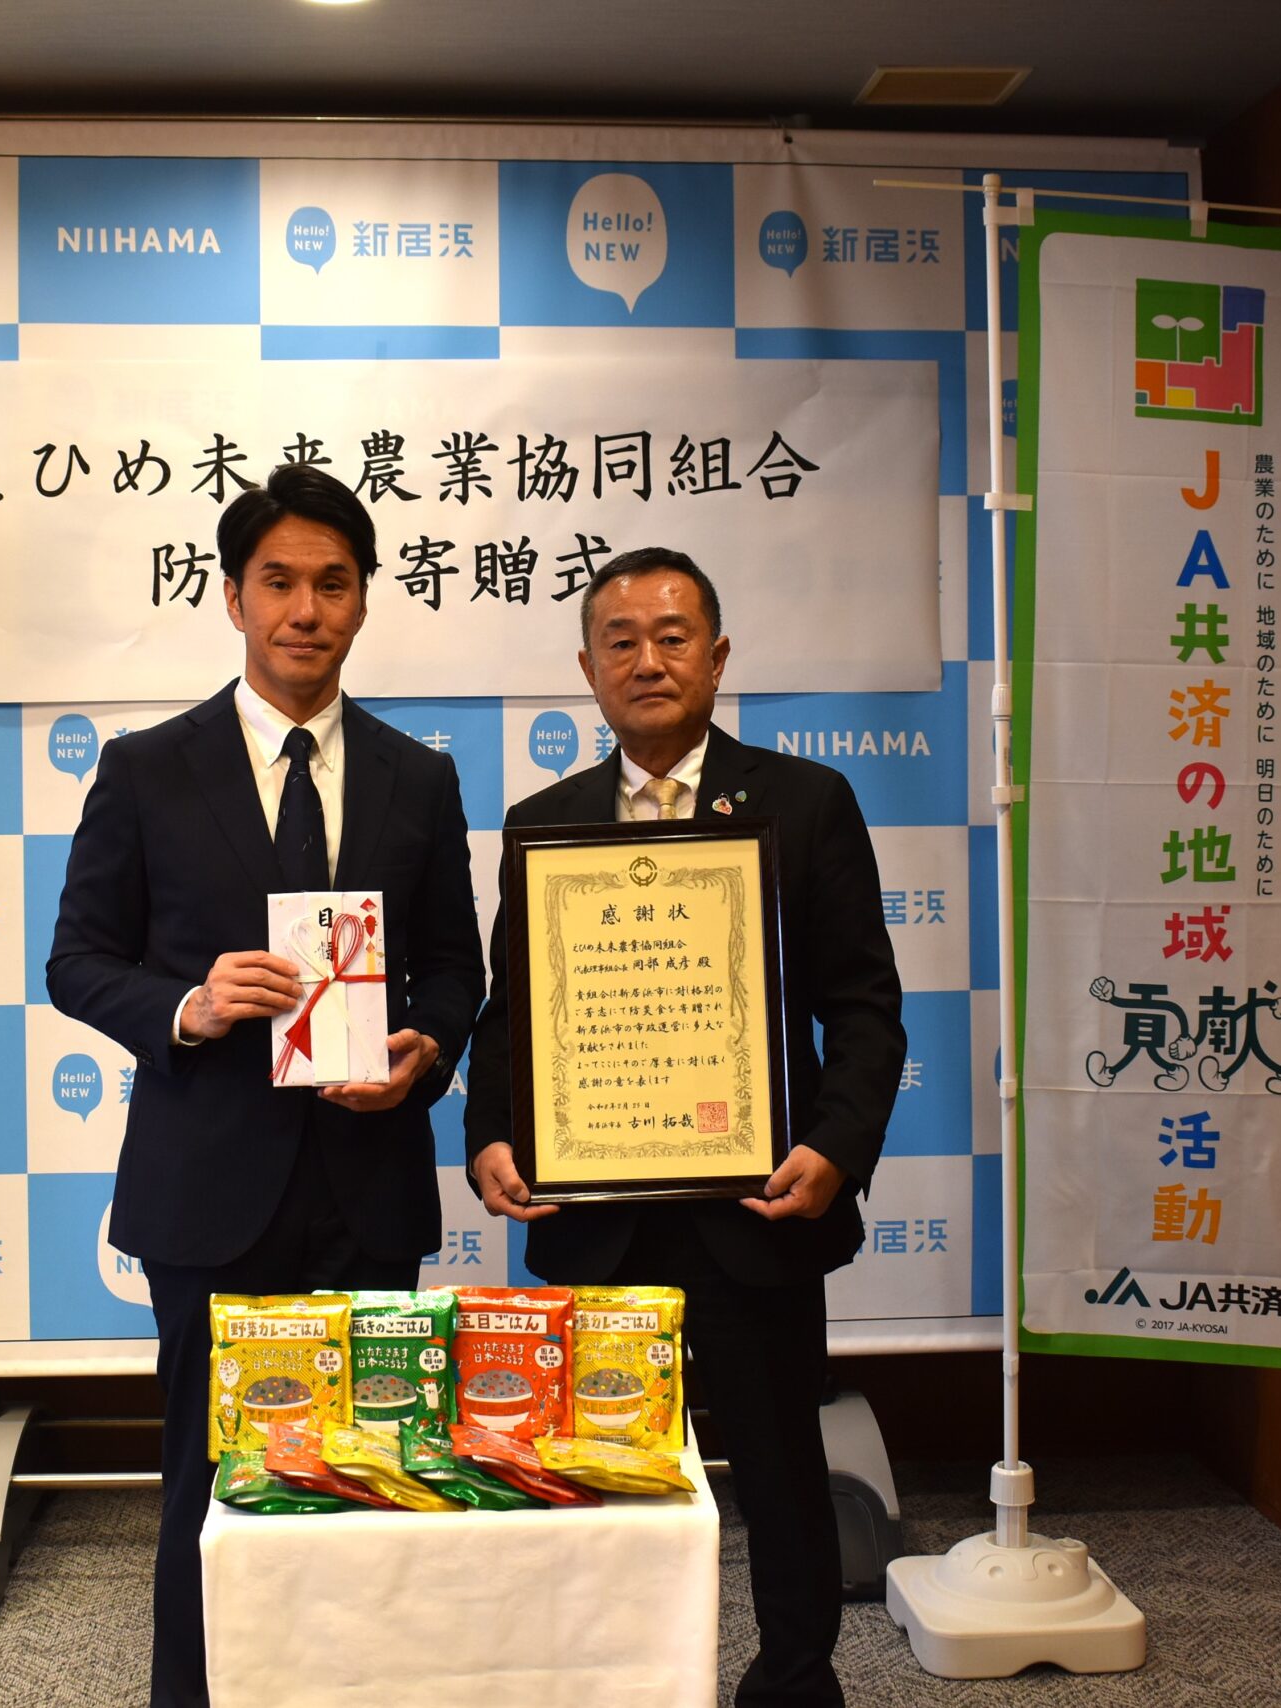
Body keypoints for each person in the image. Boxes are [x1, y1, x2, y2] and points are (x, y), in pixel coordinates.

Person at [46, 463, 485, 1708]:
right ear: (233, 597)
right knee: (211, 1486)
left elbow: (456, 969)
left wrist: (425, 1050)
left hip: (368, 1180)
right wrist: (187, 1005)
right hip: (208, 1190)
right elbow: (76, 960)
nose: (306, 609)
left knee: (367, 1473)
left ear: (363, 601)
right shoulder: (147, 768)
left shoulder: (416, 776)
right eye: (279, 582)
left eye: (332, 584)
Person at [466, 547, 906, 1708]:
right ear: (586, 668)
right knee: (597, 1480)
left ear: (716, 657)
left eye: (672, 637)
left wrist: (836, 1147)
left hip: (754, 1209)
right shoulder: (542, 822)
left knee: (780, 1474)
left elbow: (864, 1006)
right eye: (620, 640)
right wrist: (490, 1133)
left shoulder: (804, 802)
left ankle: (795, 1681)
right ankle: (608, 1682)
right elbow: (512, 1011)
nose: (647, 660)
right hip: (593, 1214)